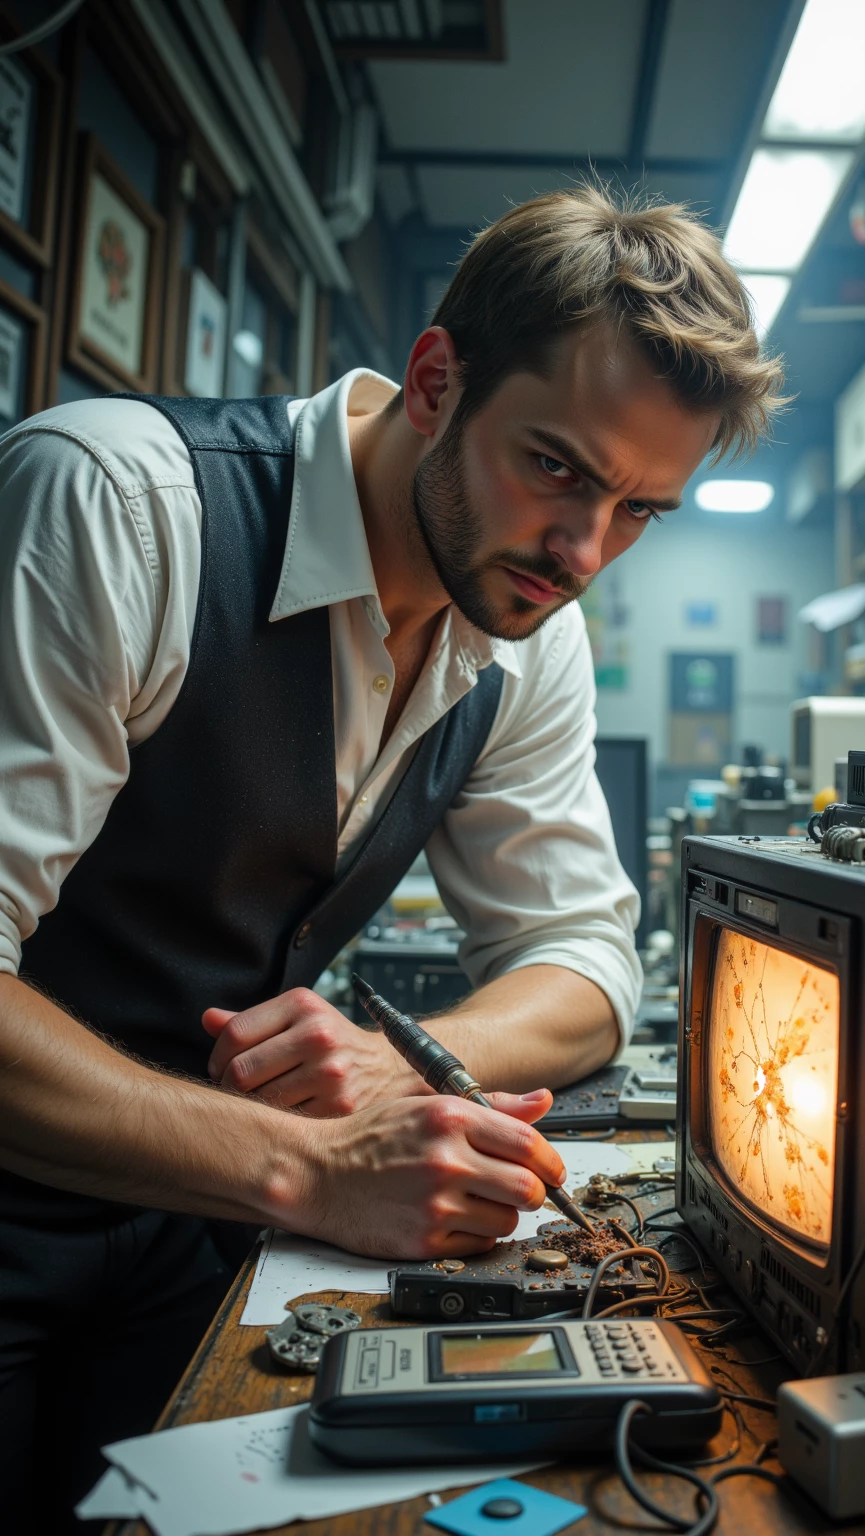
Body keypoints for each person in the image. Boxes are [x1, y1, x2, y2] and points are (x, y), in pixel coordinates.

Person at [0, 184, 783, 1526]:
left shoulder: (524, 625)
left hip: (201, 1229)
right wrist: (310, 1169)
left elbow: (589, 955)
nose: (585, 551)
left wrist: (393, 1062)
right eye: (559, 468)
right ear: (434, 380)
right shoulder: (121, 505)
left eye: (643, 508)